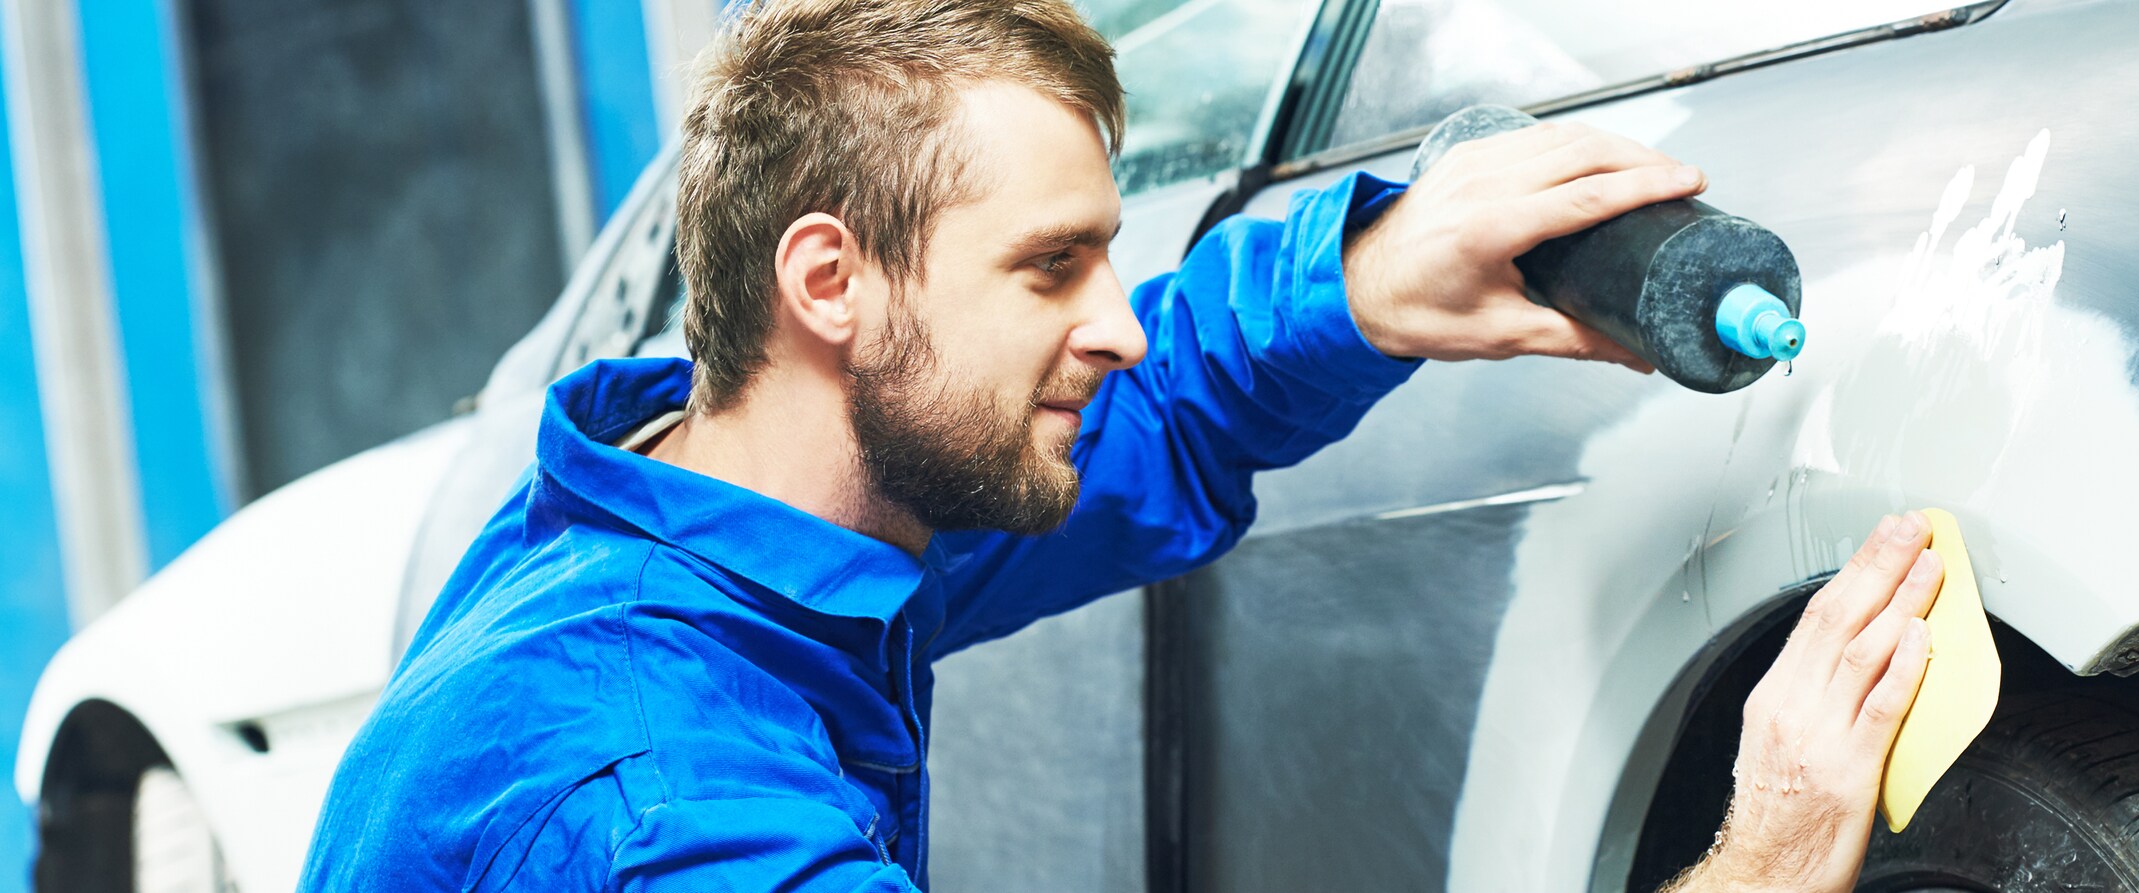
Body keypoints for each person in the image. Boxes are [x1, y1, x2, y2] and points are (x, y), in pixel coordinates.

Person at [297, 0, 1941, 889]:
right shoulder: (664, 800)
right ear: (830, 281)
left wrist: (1372, 279)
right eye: (1051, 267)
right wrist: (1768, 857)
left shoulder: (717, 528)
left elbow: (1146, 416)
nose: (1121, 320)